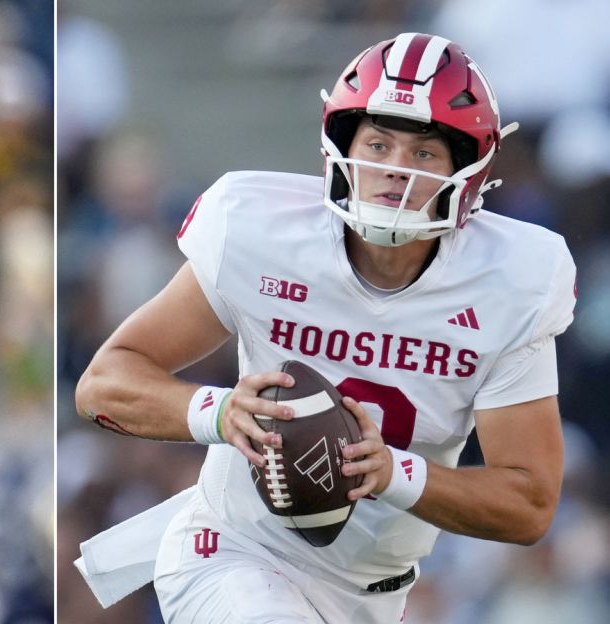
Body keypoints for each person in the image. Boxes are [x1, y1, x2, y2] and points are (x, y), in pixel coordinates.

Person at [74, 32, 576, 623]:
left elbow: (530, 503)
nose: (394, 171)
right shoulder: (261, 228)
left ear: (466, 170)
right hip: (235, 550)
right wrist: (219, 412)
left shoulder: (511, 281)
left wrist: (395, 471)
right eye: (378, 144)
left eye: (422, 154)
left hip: (376, 595)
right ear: (342, 145)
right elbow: (103, 383)